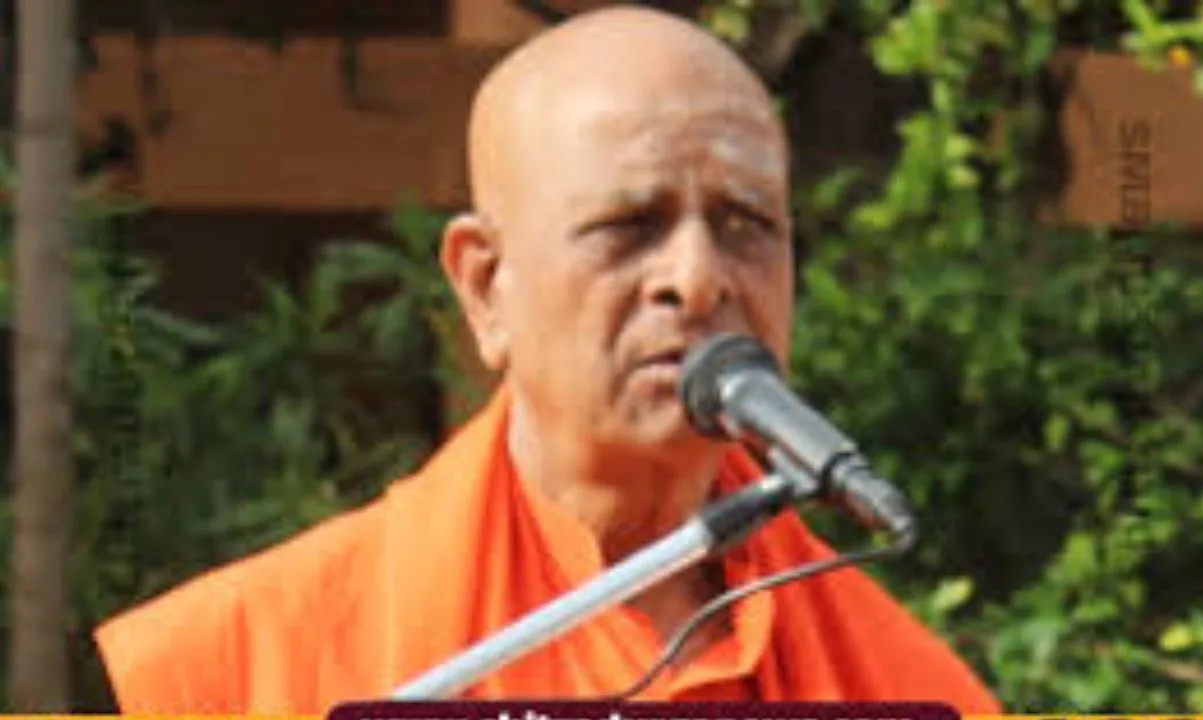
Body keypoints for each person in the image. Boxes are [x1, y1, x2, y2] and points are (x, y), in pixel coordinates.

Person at [93, 6, 1002, 714]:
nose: (696, 281)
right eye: (630, 227)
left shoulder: (900, 683)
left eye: (745, 226)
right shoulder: (247, 665)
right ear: (487, 288)